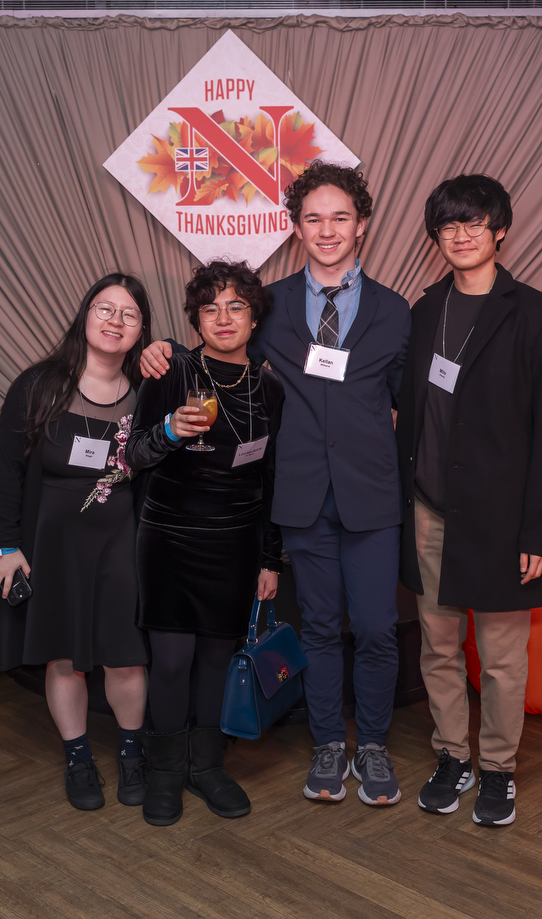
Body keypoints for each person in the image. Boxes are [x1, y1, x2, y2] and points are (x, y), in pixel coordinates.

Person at [141, 163, 411, 807]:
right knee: (318, 627)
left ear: (362, 226)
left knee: (375, 627)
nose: (326, 230)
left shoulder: (397, 310)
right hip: (300, 496)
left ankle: (371, 746)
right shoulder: (274, 306)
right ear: (295, 228)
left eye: (339, 217)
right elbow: (219, 348)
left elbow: (410, 404)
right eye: (313, 218)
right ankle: (326, 746)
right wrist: (158, 351)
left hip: (372, 496)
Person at [396, 174, 542, 827]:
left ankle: (497, 767)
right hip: (428, 509)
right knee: (437, 648)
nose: (462, 235)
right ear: (435, 237)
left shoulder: (539, 316)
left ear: (500, 230)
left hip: (502, 519)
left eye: (475, 223)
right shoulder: (423, 312)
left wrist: (538, 535)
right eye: (448, 225)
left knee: (500, 658)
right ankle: (452, 755)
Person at [125, 260, 285, 827]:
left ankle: (208, 765)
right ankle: (165, 771)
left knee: (217, 658)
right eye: (210, 308)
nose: (223, 318)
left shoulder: (269, 387)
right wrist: (169, 430)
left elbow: (270, 483)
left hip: (236, 542)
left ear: (253, 316)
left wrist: (270, 560)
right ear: (195, 318)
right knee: (171, 661)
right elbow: (132, 456)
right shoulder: (171, 371)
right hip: (169, 536)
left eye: (235, 306)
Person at [0, 273, 155, 812]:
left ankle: (131, 753)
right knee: (65, 658)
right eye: (104, 308)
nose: (114, 321)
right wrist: (6, 544)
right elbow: (6, 472)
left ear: (141, 332)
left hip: (123, 544)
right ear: (84, 316)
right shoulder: (39, 386)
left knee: (126, 658)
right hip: (53, 544)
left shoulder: (149, 397)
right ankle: (79, 756)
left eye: (128, 315)